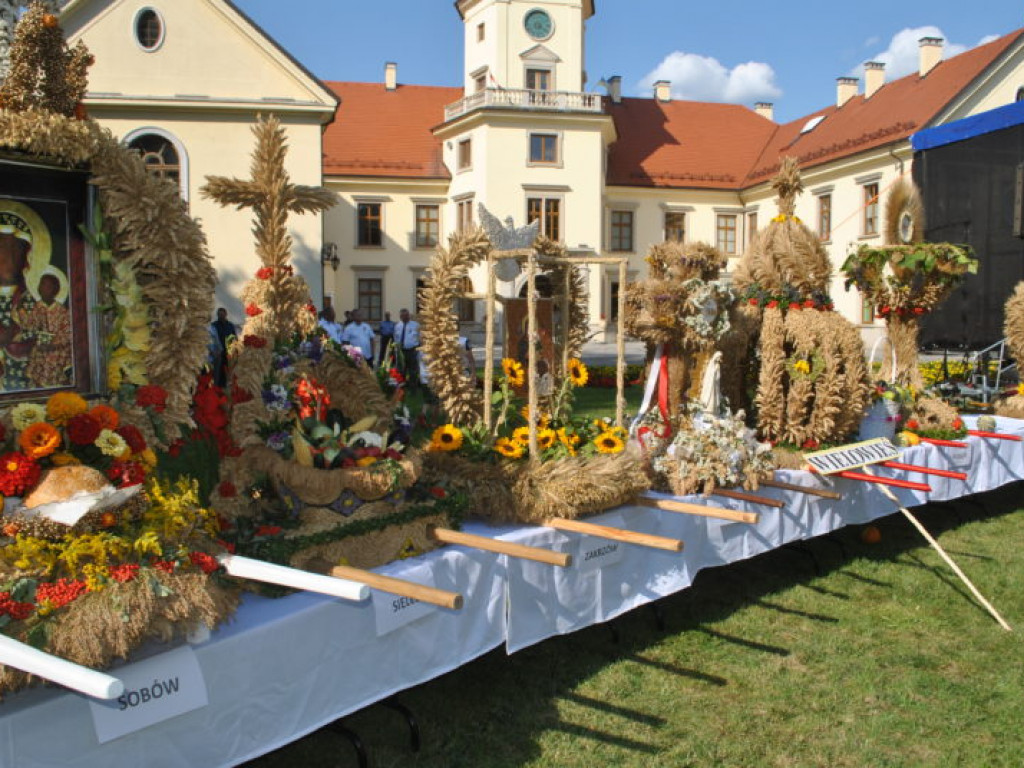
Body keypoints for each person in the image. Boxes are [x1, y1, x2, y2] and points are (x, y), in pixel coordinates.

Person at [393, 307, 421, 390]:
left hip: (412, 351)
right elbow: (396, 337)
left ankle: (413, 388)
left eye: (407, 315)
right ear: (400, 317)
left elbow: (420, 337)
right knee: (401, 369)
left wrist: (419, 348)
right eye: (403, 316)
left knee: (413, 370)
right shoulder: (397, 326)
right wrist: (397, 349)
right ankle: (402, 387)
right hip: (401, 351)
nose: (405, 317)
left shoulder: (415, 325)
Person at [210, 307, 237, 387]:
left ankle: (225, 386)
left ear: (226, 314)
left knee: (227, 370)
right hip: (218, 353)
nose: (221, 316)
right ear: (217, 315)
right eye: (219, 314)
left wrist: (234, 349)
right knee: (217, 371)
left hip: (228, 352)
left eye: (222, 314)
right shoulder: (214, 326)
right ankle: (217, 386)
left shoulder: (230, 325)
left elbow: (234, 338)